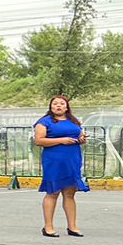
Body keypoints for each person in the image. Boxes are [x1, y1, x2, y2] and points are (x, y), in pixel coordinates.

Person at [34, 95, 88, 237]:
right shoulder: (44, 122)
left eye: (62, 103)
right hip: (54, 160)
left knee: (70, 193)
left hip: (72, 159)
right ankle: (48, 227)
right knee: (53, 192)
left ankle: (72, 226)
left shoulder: (73, 121)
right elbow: (39, 141)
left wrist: (81, 140)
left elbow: (79, 136)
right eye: (55, 104)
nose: (58, 106)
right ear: (51, 106)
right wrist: (61, 140)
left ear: (67, 106)